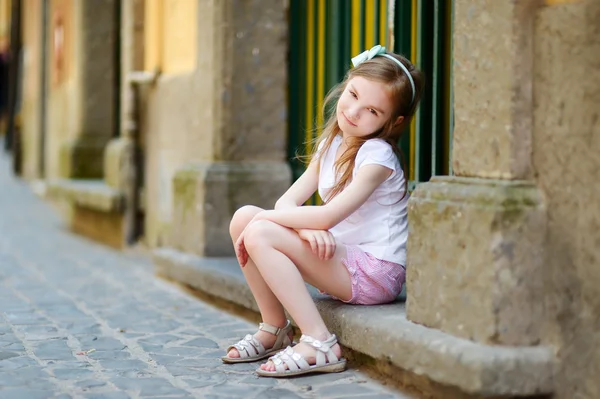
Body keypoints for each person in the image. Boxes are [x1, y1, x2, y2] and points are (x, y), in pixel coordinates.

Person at [221, 45, 424, 377]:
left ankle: (320, 342)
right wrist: (304, 227)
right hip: (342, 258)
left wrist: (285, 221)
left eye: (372, 110)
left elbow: (326, 217)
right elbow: (287, 203)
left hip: (375, 272)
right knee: (243, 217)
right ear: (346, 84)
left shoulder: (377, 156)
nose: (355, 111)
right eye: (354, 94)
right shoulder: (332, 144)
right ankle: (274, 327)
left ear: (393, 121)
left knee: (258, 228)